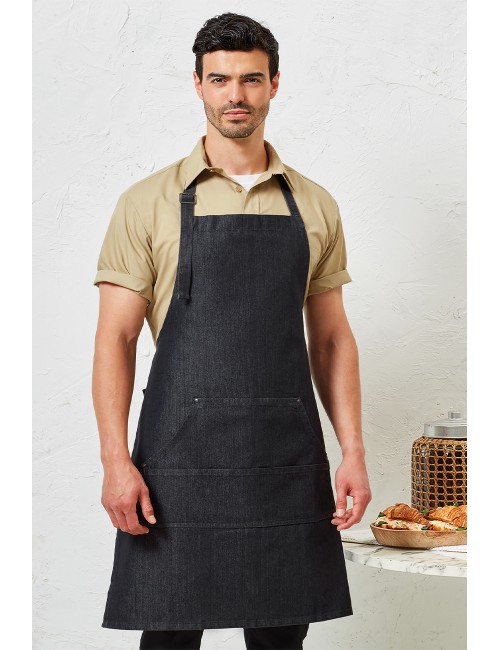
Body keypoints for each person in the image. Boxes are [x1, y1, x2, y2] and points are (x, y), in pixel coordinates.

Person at [92, 12, 372, 650]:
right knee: (168, 637)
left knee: (280, 638)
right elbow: (116, 340)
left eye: (250, 79)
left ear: (274, 84)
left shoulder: (315, 204)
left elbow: (332, 339)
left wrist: (352, 452)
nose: (235, 95)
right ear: (198, 85)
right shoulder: (147, 202)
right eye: (219, 80)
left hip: (282, 459)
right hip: (177, 461)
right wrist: (115, 462)